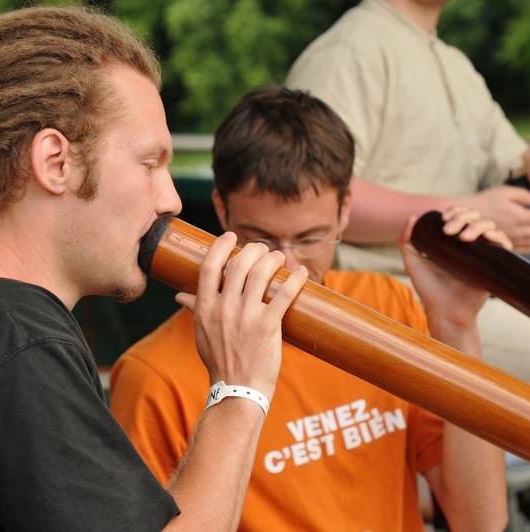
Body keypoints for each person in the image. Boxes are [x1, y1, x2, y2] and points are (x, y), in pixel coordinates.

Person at [0, 7, 309, 531]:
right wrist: (239, 389)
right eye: (150, 164)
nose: (172, 199)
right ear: (55, 162)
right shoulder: (4, 331)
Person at [110, 86, 509, 531]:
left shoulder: (388, 308)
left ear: (344, 212)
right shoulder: (153, 375)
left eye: (310, 237)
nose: (287, 266)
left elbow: (481, 521)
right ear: (221, 209)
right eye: (261, 238)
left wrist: (457, 330)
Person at [286, 0, 530, 415]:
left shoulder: (456, 64)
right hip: (396, 306)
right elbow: (310, 197)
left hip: (472, 291)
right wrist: (467, 210)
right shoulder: (349, 51)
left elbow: (514, 172)